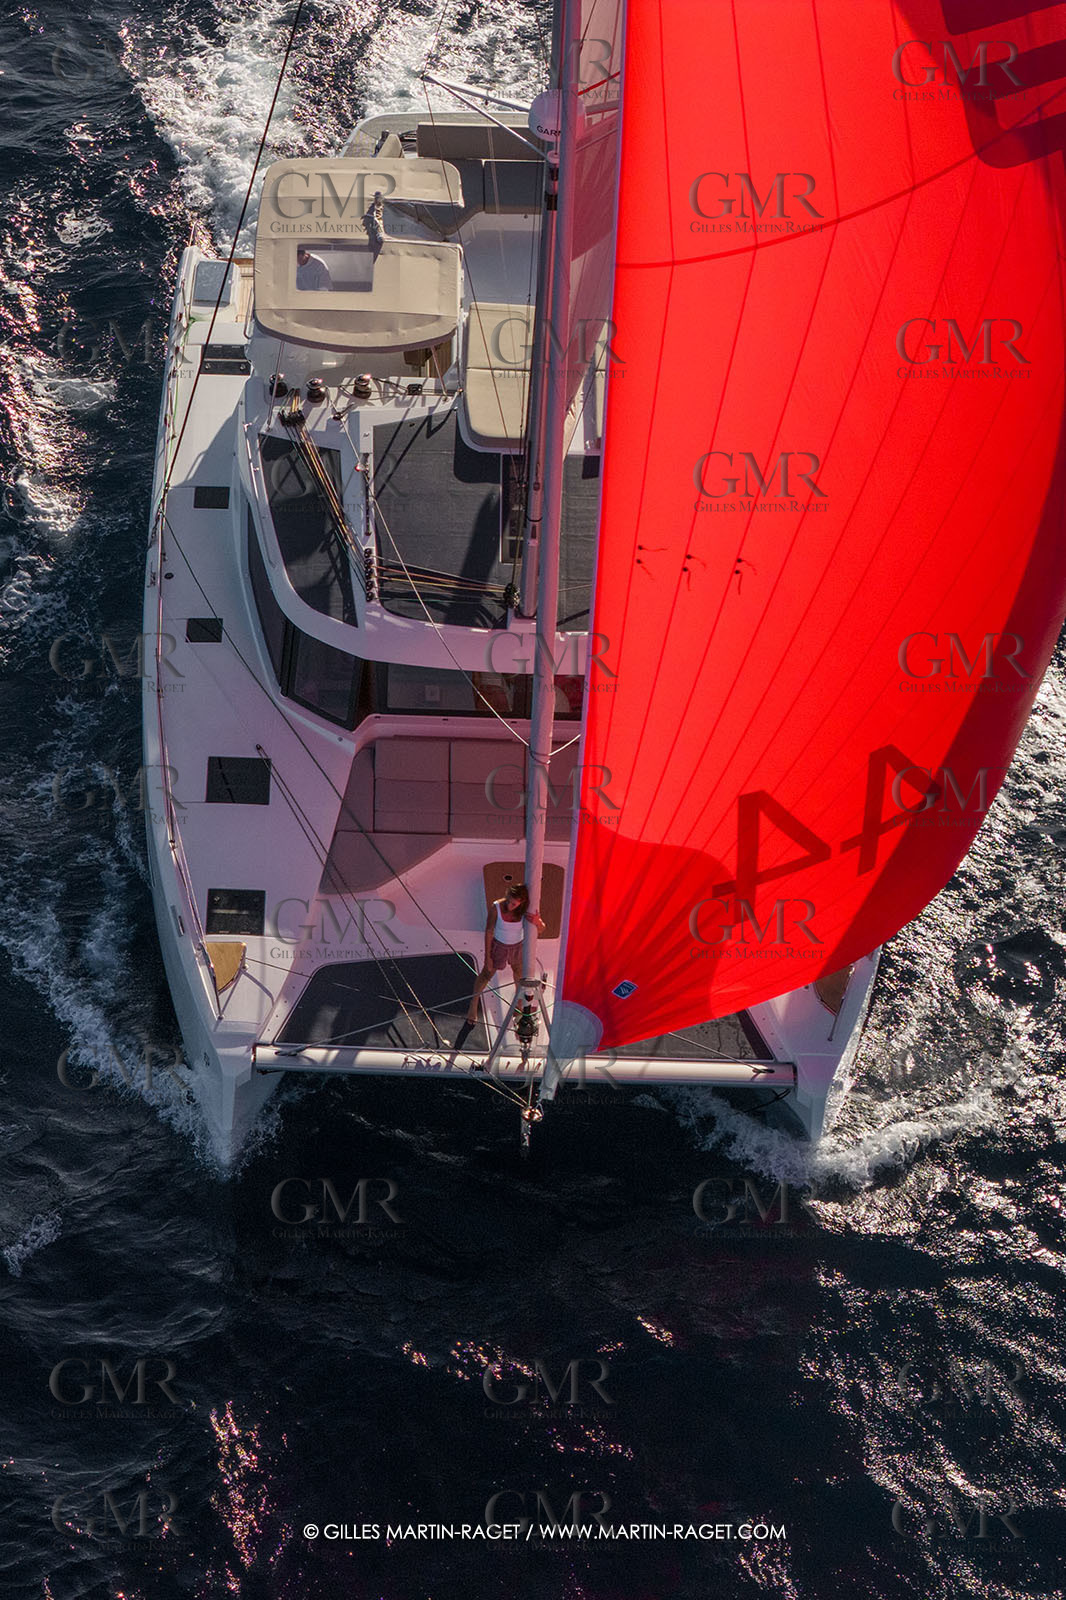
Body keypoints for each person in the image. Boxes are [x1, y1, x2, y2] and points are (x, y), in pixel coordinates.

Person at [463, 883, 545, 1029]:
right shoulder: (496, 908)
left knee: (519, 975)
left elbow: (542, 929)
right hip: (499, 946)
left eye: (514, 903)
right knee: (486, 974)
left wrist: (537, 922)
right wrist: (487, 957)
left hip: (517, 946)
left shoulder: (525, 911)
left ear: (521, 903)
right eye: (508, 901)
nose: (509, 905)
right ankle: (473, 1006)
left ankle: (518, 1005)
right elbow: (489, 931)